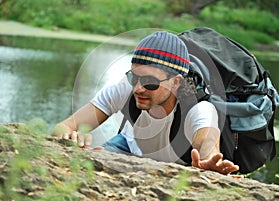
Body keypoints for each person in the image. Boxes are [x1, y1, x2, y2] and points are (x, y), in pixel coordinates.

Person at [52, 31, 239, 175]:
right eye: (134, 77)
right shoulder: (124, 88)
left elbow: (208, 149)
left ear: (176, 82)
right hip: (127, 146)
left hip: (176, 164)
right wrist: (69, 137)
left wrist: (208, 164)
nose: (138, 88)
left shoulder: (199, 110)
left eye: (150, 82)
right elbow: (65, 127)